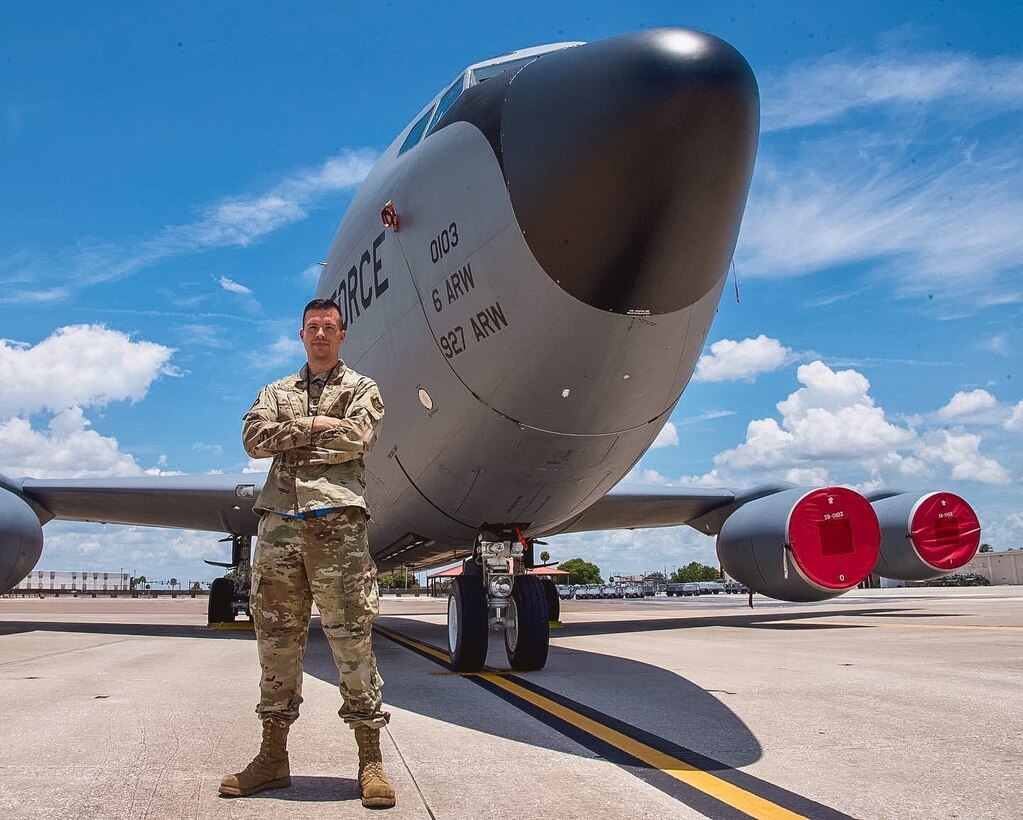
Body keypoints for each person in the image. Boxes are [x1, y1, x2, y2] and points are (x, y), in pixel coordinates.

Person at [220, 297, 394, 808]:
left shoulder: (363, 389)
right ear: (301, 335)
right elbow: (253, 439)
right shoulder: (276, 390)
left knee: (351, 642)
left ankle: (370, 761)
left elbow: (358, 438)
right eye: (312, 327)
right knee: (276, 645)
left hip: (337, 528)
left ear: (342, 335)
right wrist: (316, 427)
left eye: (329, 327)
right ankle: (272, 759)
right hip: (278, 529)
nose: (320, 334)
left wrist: (292, 436)